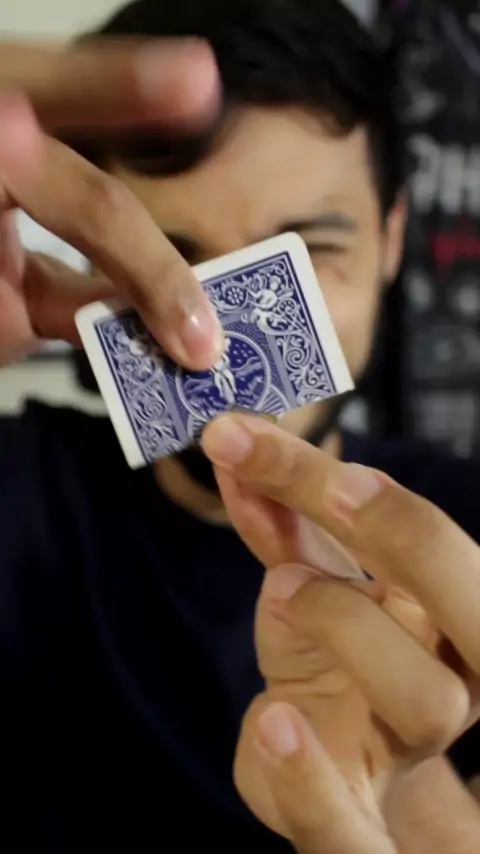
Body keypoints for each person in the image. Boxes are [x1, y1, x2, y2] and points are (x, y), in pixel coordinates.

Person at [1, 0, 480, 850]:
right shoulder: (21, 501)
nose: (215, 333)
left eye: (308, 249)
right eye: (169, 259)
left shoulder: (472, 527)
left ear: (391, 239)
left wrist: (422, 807)